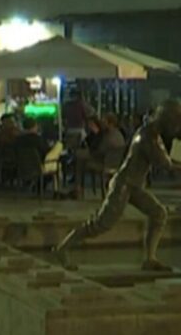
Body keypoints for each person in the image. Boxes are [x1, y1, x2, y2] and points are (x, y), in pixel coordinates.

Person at [55, 100, 181, 272]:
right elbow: (165, 163)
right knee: (100, 224)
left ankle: (150, 259)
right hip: (124, 185)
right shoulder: (148, 137)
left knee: (158, 214)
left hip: (133, 186)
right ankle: (62, 248)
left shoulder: (150, 133)